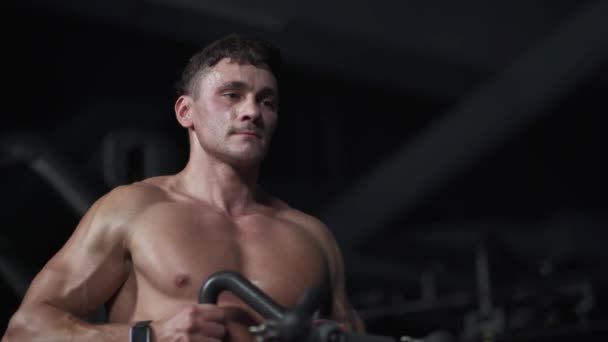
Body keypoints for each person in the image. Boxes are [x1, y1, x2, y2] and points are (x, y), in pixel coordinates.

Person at [2, 33, 364, 342]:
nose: (251, 111)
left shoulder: (312, 236)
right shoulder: (133, 211)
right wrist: (147, 335)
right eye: (232, 95)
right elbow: (24, 330)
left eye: (266, 101)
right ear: (185, 112)